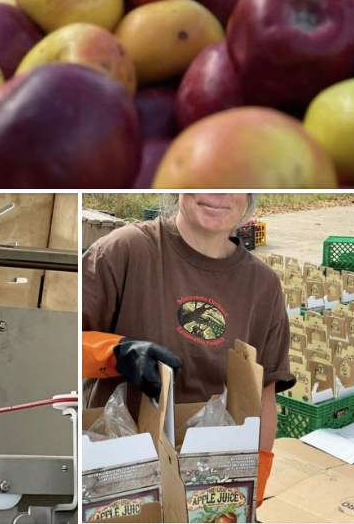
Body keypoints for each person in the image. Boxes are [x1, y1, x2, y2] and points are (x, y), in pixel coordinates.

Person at [82, 194, 294, 512]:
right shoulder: (123, 252)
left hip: (208, 492)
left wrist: (253, 483)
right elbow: (55, 341)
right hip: (118, 486)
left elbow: (264, 394)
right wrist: (114, 352)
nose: (218, 192)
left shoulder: (262, 285)